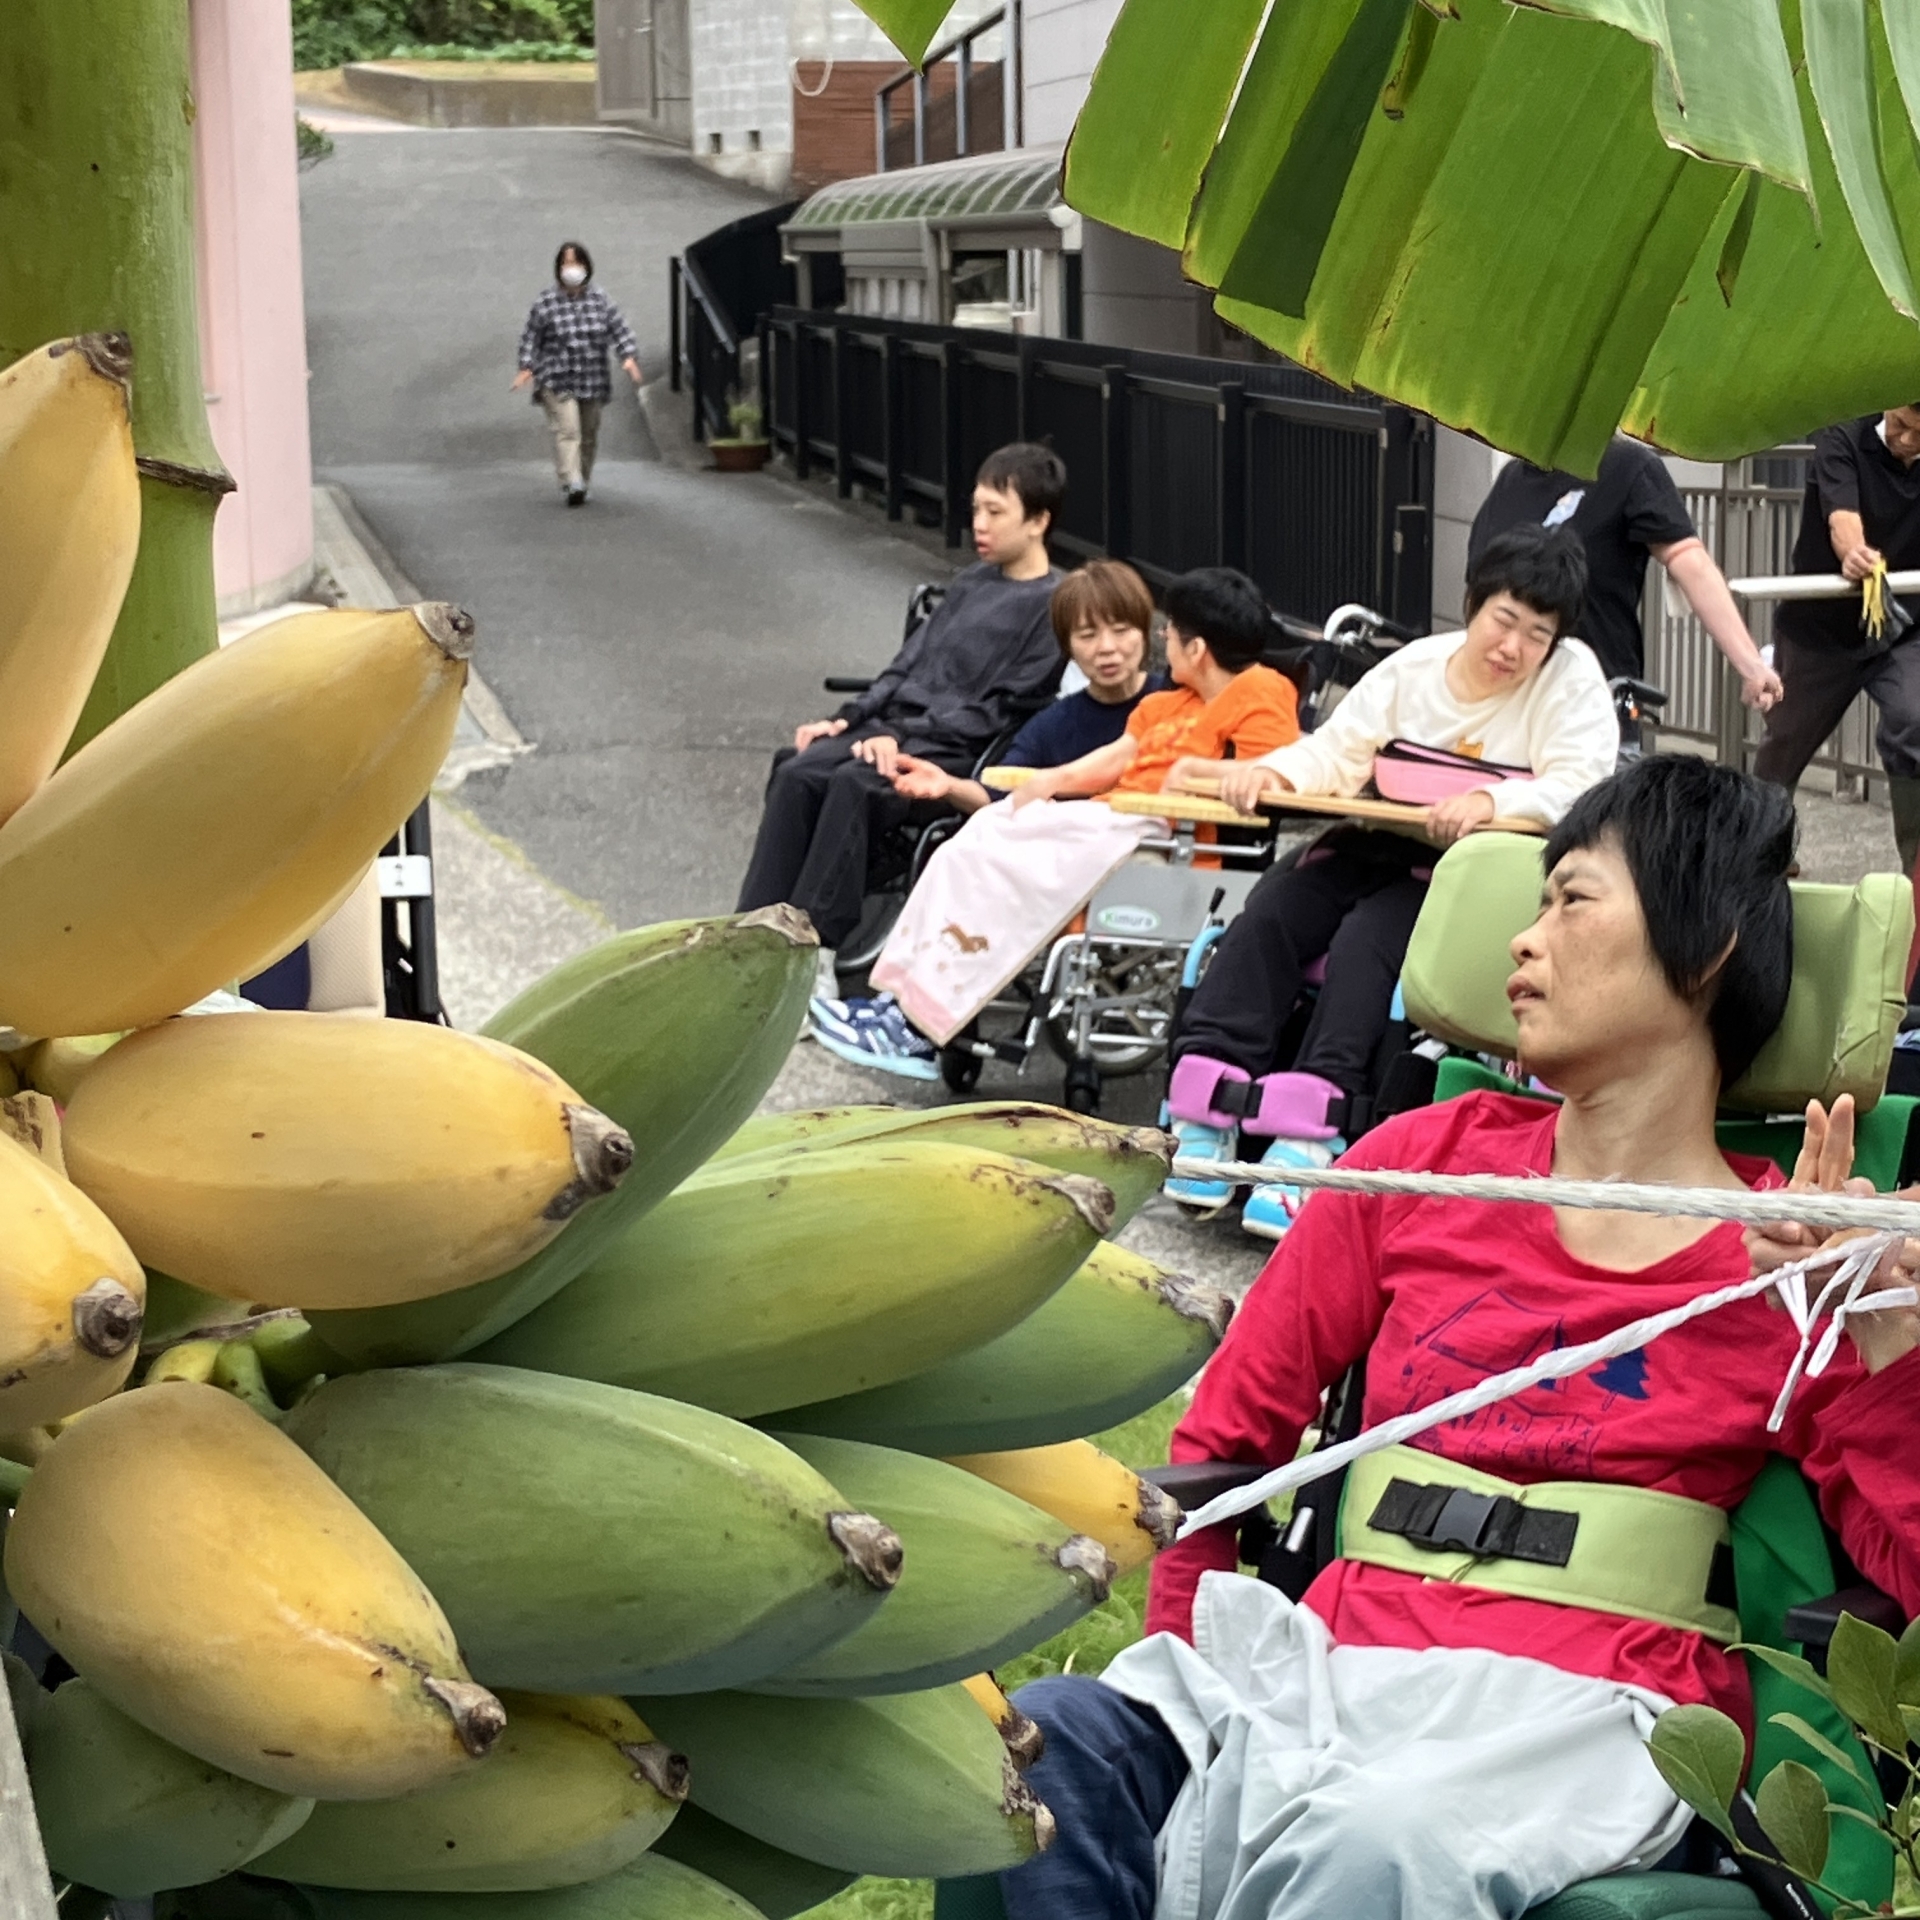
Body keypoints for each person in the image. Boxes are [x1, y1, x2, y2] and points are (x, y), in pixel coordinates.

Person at [990, 753, 1920, 1920]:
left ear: (1708, 942)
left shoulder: (1804, 1251)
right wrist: (1188, 1668)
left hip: (1590, 1708)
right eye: (1530, 905)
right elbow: (1220, 1457)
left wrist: (1883, 1334)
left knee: (1376, 1839)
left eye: (1572, 899)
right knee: (1047, 1749)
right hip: (1324, 1667)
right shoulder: (1417, 1165)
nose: (1525, 943)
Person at [1163, 525, 1617, 1237]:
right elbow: (1335, 756)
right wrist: (1273, 774)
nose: (1513, 647)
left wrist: (1493, 803)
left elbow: (1580, 787)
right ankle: (1205, 1110)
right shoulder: (1412, 670)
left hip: (1475, 868)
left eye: (1536, 634)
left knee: (1367, 940)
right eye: (1503, 620)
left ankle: (1310, 1138)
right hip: (1373, 837)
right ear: (1472, 603)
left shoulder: (1570, 680)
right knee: (1269, 915)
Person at [812, 568, 1298, 1078]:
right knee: (976, 837)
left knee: (1001, 863)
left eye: (1169, 632)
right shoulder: (1166, 702)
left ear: (1195, 648)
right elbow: (1116, 757)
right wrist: (1047, 781)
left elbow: (1274, 774)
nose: (1163, 642)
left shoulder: (1261, 690)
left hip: (1165, 836)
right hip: (1116, 818)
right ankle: (899, 1001)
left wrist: (1194, 771)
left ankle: (923, 1026)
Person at [736, 443, 1066, 957]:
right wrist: (846, 721)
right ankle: (751, 936)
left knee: (855, 783)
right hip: (895, 730)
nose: (979, 523)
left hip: (958, 747)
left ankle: (814, 950)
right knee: (797, 768)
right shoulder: (971, 582)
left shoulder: (1052, 607)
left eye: (995, 512)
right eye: (976, 509)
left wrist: (902, 738)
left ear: (1038, 521)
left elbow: (999, 709)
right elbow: (906, 665)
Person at [1469, 434, 1781, 711]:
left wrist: (1751, 665)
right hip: (1503, 709)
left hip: (1596, 704)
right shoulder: (1512, 477)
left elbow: (1689, 561)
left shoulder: (1628, 466)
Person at [1754, 406, 1920, 876]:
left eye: (1919, 436)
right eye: (1902, 425)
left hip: (1903, 629)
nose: (1905, 441)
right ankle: (1760, 861)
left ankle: (1919, 871)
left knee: (1916, 721)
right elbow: (1842, 517)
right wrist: (1854, 554)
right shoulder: (1843, 435)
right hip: (1819, 632)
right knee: (1783, 747)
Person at [886, 559, 1164, 821]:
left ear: (1144, 631)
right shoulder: (1052, 724)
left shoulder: (1178, 699)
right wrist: (948, 785)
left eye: (1121, 630)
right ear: (1067, 647)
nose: (1106, 647)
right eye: (1088, 635)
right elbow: (997, 794)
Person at [512, 241, 641, 507]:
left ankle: (582, 479)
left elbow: (619, 329)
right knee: (569, 429)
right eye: (566, 263)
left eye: (576, 263)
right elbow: (531, 337)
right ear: (558, 268)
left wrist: (628, 357)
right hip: (559, 379)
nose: (571, 269)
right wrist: (527, 367)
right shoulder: (546, 302)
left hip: (592, 379)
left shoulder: (599, 300)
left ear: (586, 266)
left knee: (589, 432)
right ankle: (571, 481)